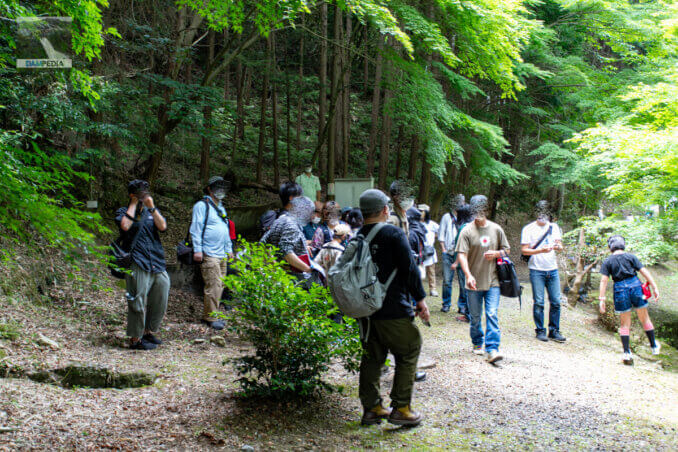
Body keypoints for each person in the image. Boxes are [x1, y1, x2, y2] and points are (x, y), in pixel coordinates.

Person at [356, 189, 430, 427]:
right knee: (409, 348)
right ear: (385, 210)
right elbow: (409, 269)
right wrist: (420, 300)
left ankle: (372, 408)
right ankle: (401, 408)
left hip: (366, 310)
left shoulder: (358, 236)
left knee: (372, 357)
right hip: (393, 307)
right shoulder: (393, 233)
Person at [115, 179, 170, 350]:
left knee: (162, 294)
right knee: (137, 299)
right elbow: (125, 226)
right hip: (137, 260)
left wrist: (151, 207)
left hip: (156, 259)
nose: (143, 195)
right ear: (132, 194)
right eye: (139, 193)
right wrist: (133, 203)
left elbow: (163, 226)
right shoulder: (123, 211)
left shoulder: (150, 211)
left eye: (145, 192)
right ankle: (135, 338)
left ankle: (148, 331)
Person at [455, 195, 510, 364]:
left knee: (492, 313)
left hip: (493, 281)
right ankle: (477, 342)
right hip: (473, 282)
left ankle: (492, 348)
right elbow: (462, 255)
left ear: (486, 210)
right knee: (476, 317)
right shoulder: (466, 230)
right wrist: (468, 275)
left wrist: (497, 253)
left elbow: (506, 250)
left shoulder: (496, 229)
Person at [598, 235, 661, 365]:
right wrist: (654, 287)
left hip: (620, 289)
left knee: (624, 324)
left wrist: (602, 299)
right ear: (623, 245)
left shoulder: (608, 261)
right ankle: (654, 346)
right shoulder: (631, 257)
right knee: (645, 318)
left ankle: (627, 353)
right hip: (635, 286)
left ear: (610, 247)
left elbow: (604, 280)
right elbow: (644, 272)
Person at [190, 176, 234, 331]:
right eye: (218, 187)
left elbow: (226, 229)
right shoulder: (201, 206)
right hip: (209, 252)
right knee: (213, 285)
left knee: (220, 284)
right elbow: (196, 228)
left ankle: (213, 313)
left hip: (222, 252)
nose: (221, 191)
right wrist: (198, 249)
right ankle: (210, 317)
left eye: (223, 187)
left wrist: (229, 249)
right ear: (209, 188)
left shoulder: (221, 207)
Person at [520, 200, 566, 343]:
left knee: (556, 301)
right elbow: (524, 250)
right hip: (536, 270)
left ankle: (554, 330)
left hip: (552, 269)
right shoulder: (528, 229)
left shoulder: (554, 227)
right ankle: (540, 330)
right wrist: (540, 250)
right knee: (539, 301)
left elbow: (559, 244)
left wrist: (558, 247)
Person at [261, 196, 314, 273]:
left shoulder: (281, 219)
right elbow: (286, 252)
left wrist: (274, 265)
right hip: (292, 275)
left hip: (279, 273)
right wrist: (307, 269)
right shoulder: (292, 225)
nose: (311, 216)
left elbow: (264, 243)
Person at [438, 194, 465, 313]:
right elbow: (441, 235)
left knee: (463, 281)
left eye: (462, 203)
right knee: (447, 280)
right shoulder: (446, 217)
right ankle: (446, 303)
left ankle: (462, 305)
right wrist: (443, 250)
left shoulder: (465, 217)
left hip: (462, 254)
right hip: (448, 253)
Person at [450, 204, 473, 322]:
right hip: (474, 262)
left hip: (464, 263)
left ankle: (467, 314)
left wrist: (456, 262)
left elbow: (461, 248)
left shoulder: (463, 227)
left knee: (466, 288)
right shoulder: (475, 226)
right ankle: (468, 311)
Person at [419, 204, 439, 297]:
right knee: (419, 271)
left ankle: (433, 289)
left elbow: (440, 232)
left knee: (431, 271)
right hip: (419, 250)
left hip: (429, 250)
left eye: (422, 211)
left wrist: (433, 237)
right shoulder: (416, 223)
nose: (420, 213)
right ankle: (419, 289)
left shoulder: (431, 224)